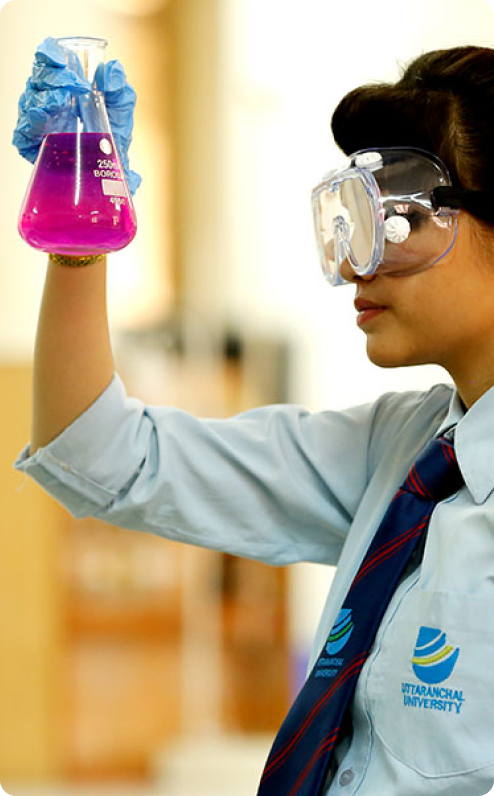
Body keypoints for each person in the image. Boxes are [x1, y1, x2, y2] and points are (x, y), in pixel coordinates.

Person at [13, 41, 494, 796]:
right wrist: (80, 239)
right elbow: (99, 450)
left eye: (397, 223)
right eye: (353, 222)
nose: (358, 266)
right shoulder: (405, 459)